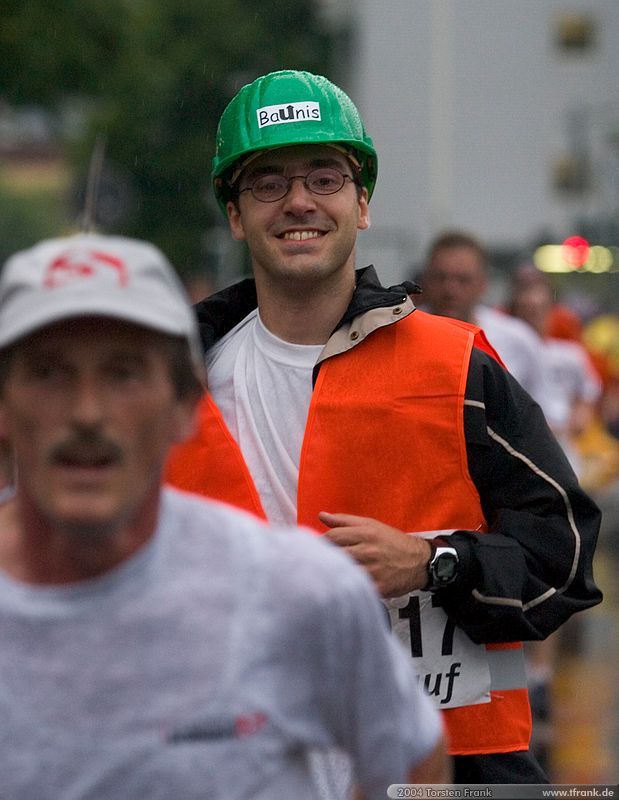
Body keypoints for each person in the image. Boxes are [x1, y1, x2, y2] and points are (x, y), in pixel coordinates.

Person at [165, 69, 603, 785]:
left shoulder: (454, 365)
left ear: (361, 203)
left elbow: (564, 554)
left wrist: (436, 563)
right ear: (235, 214)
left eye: (325, 178)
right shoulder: (175, 384)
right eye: (267, 182)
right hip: (244, 765)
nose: (298, 200)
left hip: (449, 767)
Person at [0, 232, 448, 799]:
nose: (88, 413)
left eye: (124, 373)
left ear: (185, 407)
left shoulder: (302, 592)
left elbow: (412, 760)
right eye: (48, 373)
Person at [419, 230, 546, 403]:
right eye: (440, 277)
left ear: (483, 283)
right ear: (425, 279)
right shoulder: (402, 334)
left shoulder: (519, 339)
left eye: (463, 280)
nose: (450, 290)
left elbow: (545, 409)